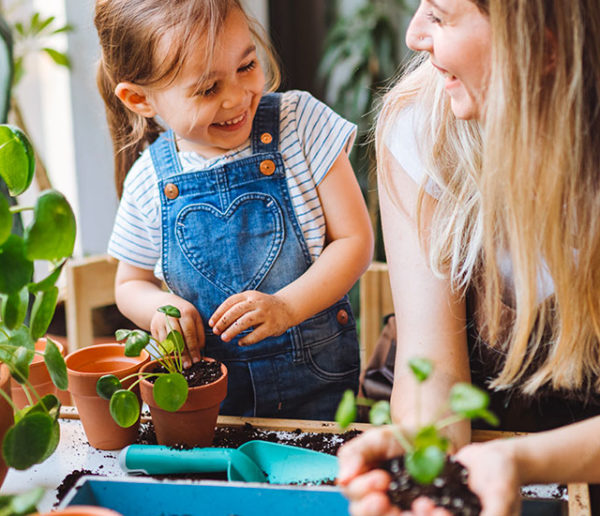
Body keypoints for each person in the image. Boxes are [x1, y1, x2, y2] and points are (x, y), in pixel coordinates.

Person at [337, 0, 600, 514]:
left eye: (439, 15)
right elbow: (433, 370)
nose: (414, 35)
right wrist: (427, 462)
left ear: (543, 48)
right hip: (481, 430)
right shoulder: (422, 126)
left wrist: (525, 461)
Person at [94, 0, 373, 420]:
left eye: (246, 66)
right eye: (208, 89)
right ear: (139, 99)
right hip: (211, 409)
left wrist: (287, 308)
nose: (238, 97)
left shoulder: (301, 124)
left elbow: (355, 241)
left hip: (317, 396)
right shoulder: (147, 180)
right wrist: (161, 309)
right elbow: (129, 283)